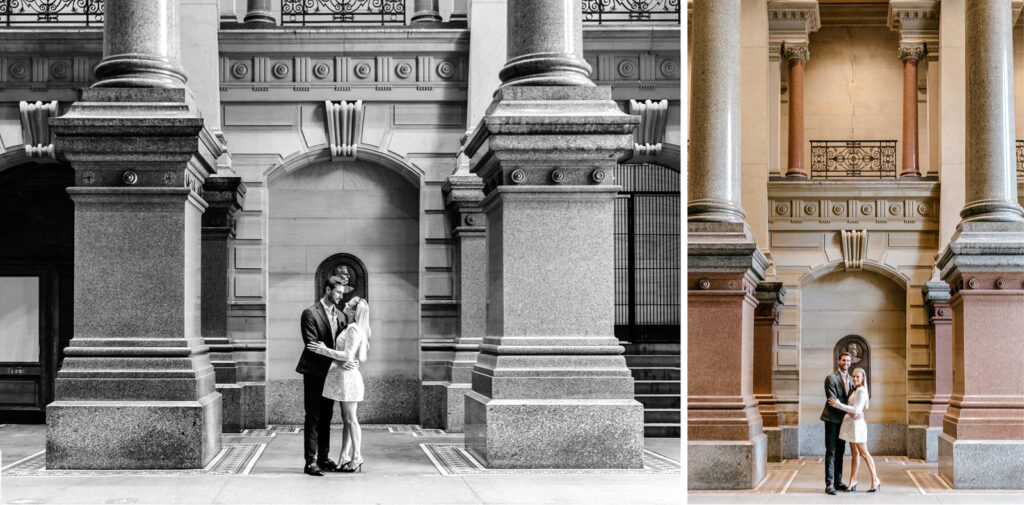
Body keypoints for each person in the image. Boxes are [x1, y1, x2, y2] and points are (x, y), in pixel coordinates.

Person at [296, 276, 358, 477]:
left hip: (333, 374)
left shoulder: (341, 316)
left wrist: (349, 360)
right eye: (338, 292)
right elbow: (312, 346)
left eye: (342, 293)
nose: (341, 296)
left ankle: (324, 457)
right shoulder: (310, 313)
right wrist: (339, 360)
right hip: (314, 372)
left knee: (327, 416)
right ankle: (310, 461)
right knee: (312, 416)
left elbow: (342, 346)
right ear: (328, 289)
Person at [308, 297, 370, 473]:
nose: (345, 305)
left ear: (354, 311)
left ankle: (357, 456)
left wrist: (323, 349)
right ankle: (344, 456)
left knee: (351, 419)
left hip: (349, 379)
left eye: (349, 305)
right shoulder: (352, 327)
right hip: (346, 377)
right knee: (347, 419)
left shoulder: (352, 328)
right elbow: (350, 357)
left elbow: (347, 355)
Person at [829, 368, 881, 492]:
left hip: (858, 426)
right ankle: (853, 481)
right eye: (853, 376)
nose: (855, 378)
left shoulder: (862, 391)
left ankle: (875, 479)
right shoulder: (855, 389)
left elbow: (857, 410)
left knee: (864, 453)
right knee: (854, 454)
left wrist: (838, 404)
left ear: (863, 378)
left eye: (858, 377)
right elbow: (853, 409)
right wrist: (849, 410)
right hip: (851, 426)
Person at [820, 352, 861, 495]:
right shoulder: (831, 378)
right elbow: (832, 401)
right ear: (839, 361)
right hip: (831, 420)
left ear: (851, 363)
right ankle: (829, 484)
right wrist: (850, 412)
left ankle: (838, 482)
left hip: (844, 421)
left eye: (848, 361)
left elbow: (850, 401)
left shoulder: (851, 379)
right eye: (844, 360)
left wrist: (852, 410)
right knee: (831, 451)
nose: (846, 363)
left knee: (841, 452)